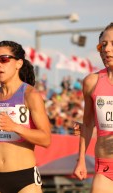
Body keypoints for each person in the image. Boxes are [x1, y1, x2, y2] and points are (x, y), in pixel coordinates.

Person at [0, 40, 51, 193]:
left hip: (25, 180)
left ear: (18, 63)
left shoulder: (30, 95)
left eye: (4, 59)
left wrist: (15, 127)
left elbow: (46, 139)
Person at [73, 23, 113, 193]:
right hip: (105, 167)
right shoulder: (91, 82)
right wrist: (81, 160)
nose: (107, 49)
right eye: (103, 45)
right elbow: (88, 124)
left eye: (112, 44)